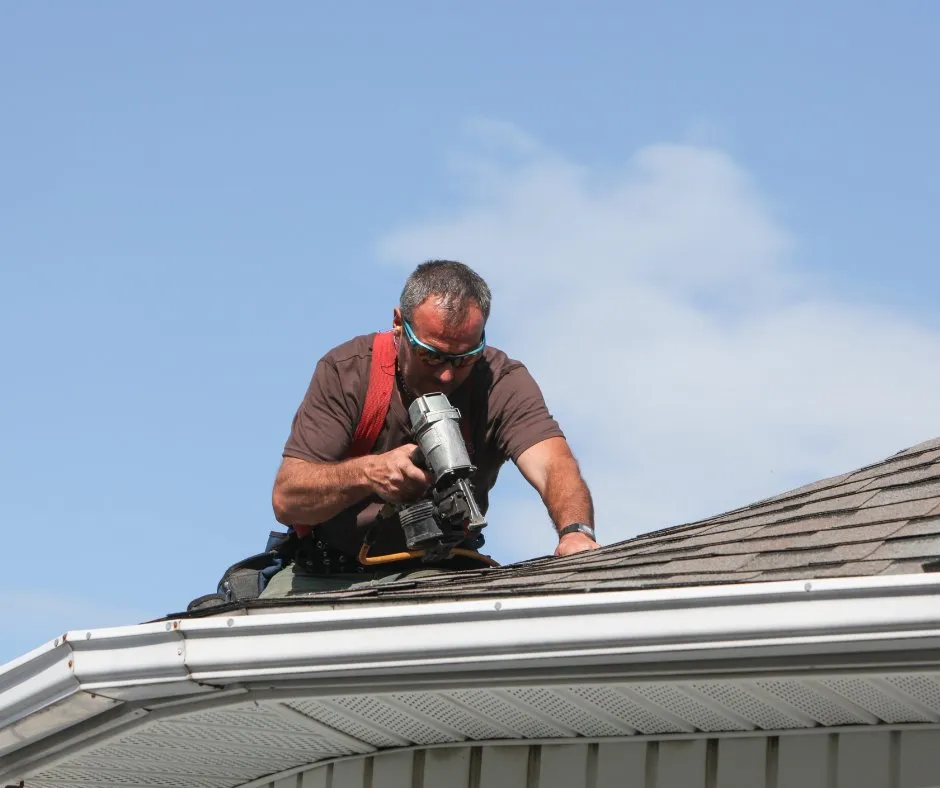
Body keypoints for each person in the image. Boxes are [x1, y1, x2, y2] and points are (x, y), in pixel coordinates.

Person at [261, 260, 598, 597]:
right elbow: (287, 499)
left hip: (440, 570)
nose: (447, 375)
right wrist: (368, 474)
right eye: (432, 356)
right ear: (398, 324)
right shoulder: (348, 372)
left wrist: (576, 531)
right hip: (327, 572)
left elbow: (553, 464)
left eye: (465, 358)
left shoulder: (501, 382)